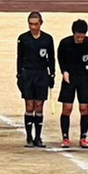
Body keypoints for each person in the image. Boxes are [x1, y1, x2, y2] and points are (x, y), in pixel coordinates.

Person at [56, 19, 88, 148]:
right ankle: (65, 137)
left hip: (83, 78)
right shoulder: (65, 43)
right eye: (78, 37)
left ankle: (83, 137)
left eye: (82, 37)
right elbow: (60, 58)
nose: (80, 39)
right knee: (67, 109)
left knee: (84, 109)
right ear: (74, 33)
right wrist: (64, 72)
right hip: (69, 78)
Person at [16, 11, 56, 148]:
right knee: (29, 106)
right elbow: (19, 58)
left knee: (39, 106)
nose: (33, 27)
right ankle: (29, 137)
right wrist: (19, 76)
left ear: (41, 24)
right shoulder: (23, 38)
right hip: (28, 73)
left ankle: (38, 137)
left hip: (41, 74)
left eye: (35, 24)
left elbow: (51, 58)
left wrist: (52, 75)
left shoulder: (47, 39)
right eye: (30, 24)